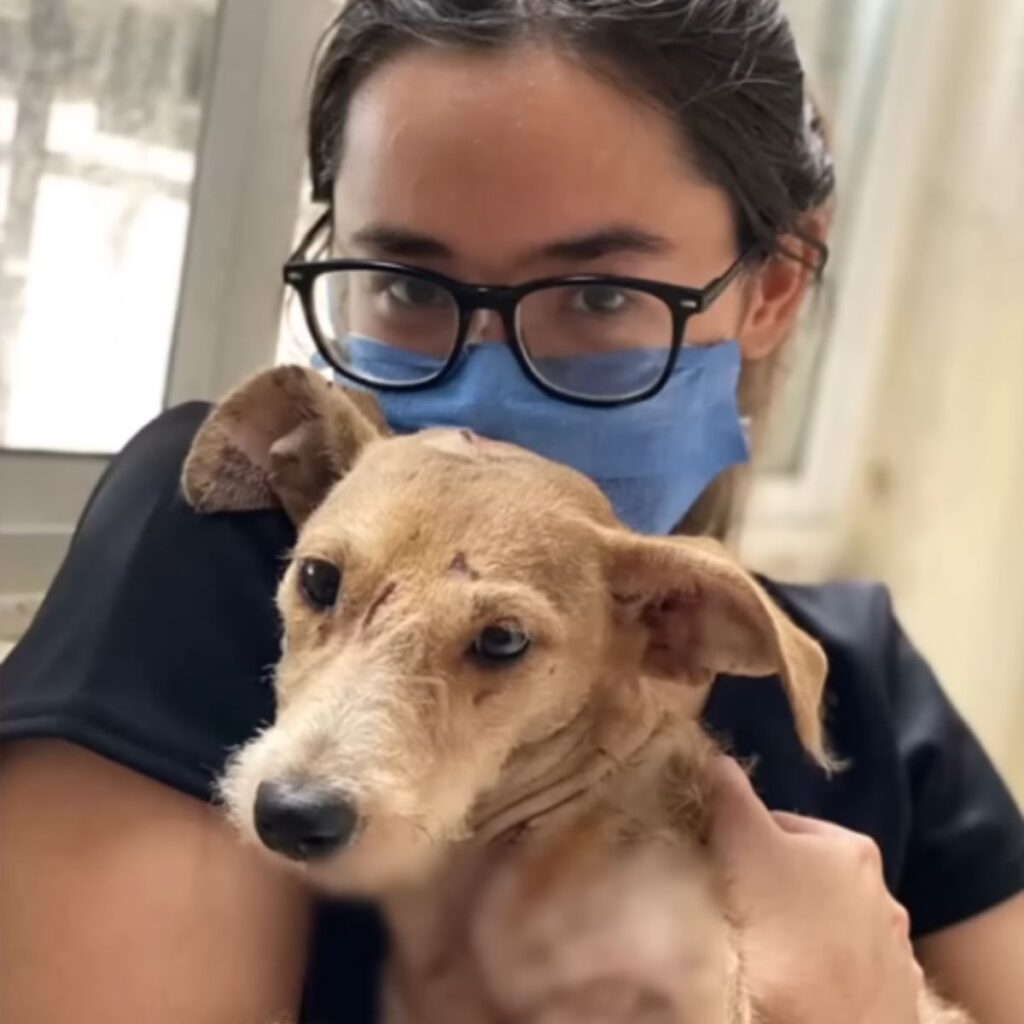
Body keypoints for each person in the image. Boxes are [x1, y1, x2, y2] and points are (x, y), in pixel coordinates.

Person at [1, 2, 1021, 1022]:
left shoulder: (864, 683)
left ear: (773, 289)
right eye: (405, 281)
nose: (486, 377)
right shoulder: (232, 528)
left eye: (596, 296)